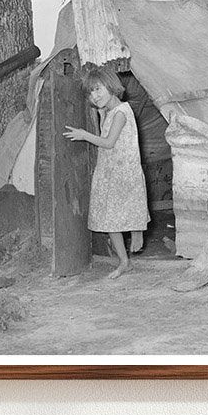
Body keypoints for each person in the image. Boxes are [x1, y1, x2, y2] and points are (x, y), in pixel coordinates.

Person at [63, 67, 150, 279]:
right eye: (90, 93)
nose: (94, 96)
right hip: (110, 170)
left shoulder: (121, 112)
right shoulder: (109, 112)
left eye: (98, 89)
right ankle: (124, 262)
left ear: (111, 86)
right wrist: (101, 115)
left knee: (130, 208)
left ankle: (137, 232)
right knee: (110, 218)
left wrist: (84, 135)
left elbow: (109, 142)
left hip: (124, 171)